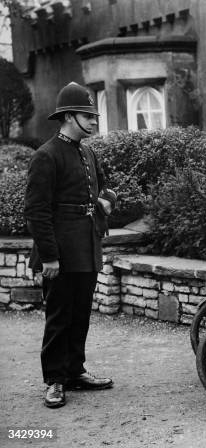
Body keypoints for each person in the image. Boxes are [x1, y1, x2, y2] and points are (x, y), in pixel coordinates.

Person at [24, 82, 117, 409]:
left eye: (94, 116)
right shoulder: (46, 156)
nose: (94, 122)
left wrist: (106, 201)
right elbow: (36, 212)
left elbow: (106, 189)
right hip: (60, 253)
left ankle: (75, 371)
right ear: (67, 117)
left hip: (87, 248)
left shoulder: (88, 152)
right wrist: (49, 257)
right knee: (59, 316)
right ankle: (54, 380)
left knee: (80, 315)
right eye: (87, 116)